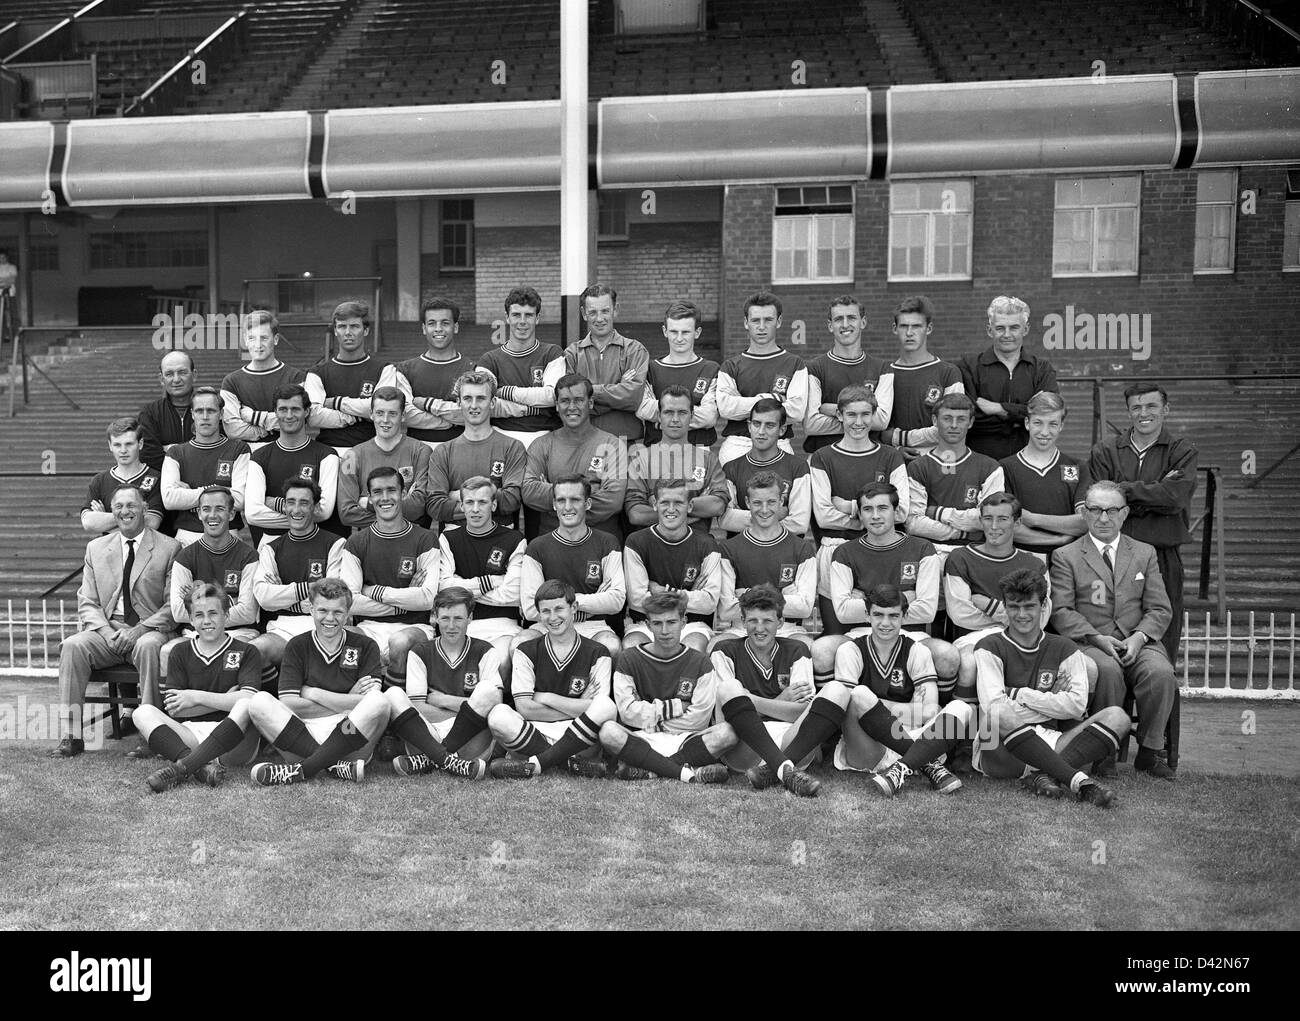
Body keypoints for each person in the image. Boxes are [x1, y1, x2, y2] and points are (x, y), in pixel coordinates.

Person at [1049, 481, 1179, 780]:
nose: (1103, 518)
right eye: (1095, 510)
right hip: (1090, 641)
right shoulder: (1066, 555)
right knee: (1106, 670)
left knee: (1160, 673)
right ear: (1084, 513)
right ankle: (1104, 751)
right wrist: (1096, 637)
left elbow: (1160, 608)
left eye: (1111, 510)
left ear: (1125, 514)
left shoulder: (1144, 552)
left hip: (1139, 640)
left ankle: (1149, 751)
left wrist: (1139, 637)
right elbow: (1061, 610)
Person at [974, 568, 1126, 807]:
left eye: (1029, 606)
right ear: (1004, 606)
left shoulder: (1065, 648)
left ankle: (1043, 775)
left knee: (1117, 716)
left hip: (1056, 741)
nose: (1021, 614)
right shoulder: (989, 646)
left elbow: (1076, 706)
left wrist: (1018, 694)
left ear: (1043, 605)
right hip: (1002, 749)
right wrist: (1052, 700)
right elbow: (994, 706)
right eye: (1014, 606)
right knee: (1000, 713)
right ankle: (1078, 782)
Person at [51, 486, 179, 757]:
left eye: (131, 505)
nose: (125, 511)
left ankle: (150, 734)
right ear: (112, 512)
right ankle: (71, 736)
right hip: (107, 631)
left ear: (144, 508)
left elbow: (173, 606)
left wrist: (139, 630)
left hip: (149, 629)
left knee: (147, 647)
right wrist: (108, 632)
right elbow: (87, 601)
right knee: (73, 646)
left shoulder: (169, 547)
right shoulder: (96, 548)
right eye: (118, 506)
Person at [1087, 381, 1197, 667]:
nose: (1143, 413)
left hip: (1162, 555)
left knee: (1163, 632)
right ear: (1128, 412)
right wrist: (1154, 490)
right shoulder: (1106, 450)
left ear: (1166, 409)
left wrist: (1124, 491)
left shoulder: (1181, 450)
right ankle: (1114, 708)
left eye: (1151, 406)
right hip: (1114, 555)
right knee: (1112, 632)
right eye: (1136, 407)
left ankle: (1159, 704)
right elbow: (1103, 501)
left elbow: (1175, 498)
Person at [815, 482, 958, 696]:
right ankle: (832, 715)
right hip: (861, 633)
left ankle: (935, 712)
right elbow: (843, 613)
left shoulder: (922, 549)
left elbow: (927, 610)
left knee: (948, 655)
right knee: (821, 650)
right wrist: (906, 598)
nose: (875, 516)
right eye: (867, 509)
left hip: (911, 634)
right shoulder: (844, 553)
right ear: (860, 515)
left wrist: (866, 601)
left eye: (882, 508)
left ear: (896, 511)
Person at [245, 578, 392, 785]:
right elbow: (289, 703)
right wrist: (348, 699)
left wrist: (313, 693)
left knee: (379, 700)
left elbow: (369, 703)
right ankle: (333, 766)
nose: (330, 618)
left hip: (350, 733)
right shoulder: (297, 645)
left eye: (338, 612)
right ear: (311, 610)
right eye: (323, 610)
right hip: (304, 733)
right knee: (258, 701)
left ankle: (302, 770)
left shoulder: (366, 645)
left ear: (348, 614)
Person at [828, 584, 969, 796]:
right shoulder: (850, 650)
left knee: (962, 708)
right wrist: (910, 707)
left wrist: (876, 708)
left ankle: (900, 769)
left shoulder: (917, 650)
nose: (885, 623)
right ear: (867, 615)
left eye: (893, 615)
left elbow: (930, 712)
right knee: (858, 695)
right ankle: (927, 765)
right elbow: (848, 704)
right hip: (870, 748)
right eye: (878, 615)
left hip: (916, 738)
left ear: (904, 616)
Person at [710, 585, 841, 796]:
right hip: (745, 747)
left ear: (780, 622)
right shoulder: (724, 651)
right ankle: (785, 769)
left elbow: (804, 712)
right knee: (729, 688)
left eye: (767, 621)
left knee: (835, 691)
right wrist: (782, 699)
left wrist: (750, 701)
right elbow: (728, 714)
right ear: (742, 621)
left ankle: (773, 770)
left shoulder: (797, 650)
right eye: (752, 620)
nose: (759, 628)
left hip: (791, 742)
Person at [482, 580, 618, 780]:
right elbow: (525, 709)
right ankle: (570, 764)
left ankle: (535, 764)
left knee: (606, 706)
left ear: (574, 608)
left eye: (559, 609)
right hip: (536, 732)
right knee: (498, 715)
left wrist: (544, 697)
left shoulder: (599, 652)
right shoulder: (525, 650)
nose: (553, 617)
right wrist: (579, 705)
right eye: (545, 611)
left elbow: (597, 708)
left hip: (578, 735)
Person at [596, 591, 734, 784]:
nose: (665, 631)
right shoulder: (629, 658)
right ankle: (690, 770)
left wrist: (656, 721)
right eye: (657, 623)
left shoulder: (700, 662)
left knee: (727, 733)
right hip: (643, 738)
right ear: (647, 625)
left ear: (683, 622)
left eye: (671, 622)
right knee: (608, 732)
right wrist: (676, 707)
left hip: (685, 739)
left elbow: (699, 719)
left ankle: (652, 770)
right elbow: (627, 713)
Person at [136, 585, 263, 792]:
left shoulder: (247, 651)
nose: (206, 621)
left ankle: (183, 768)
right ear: (191, 619)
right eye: (199, 615)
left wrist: (195, 697)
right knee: (142, 712)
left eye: (213, 613)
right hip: (191, 736)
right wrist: (225, 699)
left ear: (226, 614)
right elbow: (175, 708)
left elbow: (248, 699)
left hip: (234, 742)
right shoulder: (179, 651)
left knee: (246, 704)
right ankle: (198, 766)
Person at [811, 387, 909, 633]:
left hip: (881, 552)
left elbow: (902, 512)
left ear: (874, 416)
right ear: (840, 416)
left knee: (882, 632)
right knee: (836, 636)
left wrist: (850, 506)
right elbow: (823, 516)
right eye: (851, 414)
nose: (859, 422)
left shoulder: (890, 457)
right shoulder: (822, 457)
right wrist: (875, 517)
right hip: (836, 548)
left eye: (865, 414)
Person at [944, 493, 1056, 706]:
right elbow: (960, 614)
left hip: (1024, 640)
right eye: (988, 518)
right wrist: (1016, 617)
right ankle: (965, 733)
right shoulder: (960, 558)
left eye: (1003, 519)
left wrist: (991, 605)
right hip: (973, 638)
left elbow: (1040, 619)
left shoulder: (1034, 564)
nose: (994, 526)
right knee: (969, 663)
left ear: (1017, 522)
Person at [381, 586, 501, 779]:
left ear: (470, 618)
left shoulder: (485, 650)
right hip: (429, 733)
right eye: (445, 618)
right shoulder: (420, 652)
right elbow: (418, 707)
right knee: (392, 695)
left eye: (458, 618)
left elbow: (494, 703)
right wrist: (468, 710)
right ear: (434, 617)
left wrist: (444, 700)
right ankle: (449, 761)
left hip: (470, 741)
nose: (451, 625)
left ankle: (431, 758)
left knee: (488, 690)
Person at [339, 466, 439, 685]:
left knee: (400, 641)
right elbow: (349, 602)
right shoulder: (356, 543)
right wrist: (406, 598)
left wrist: (374, 591)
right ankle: (363, 703)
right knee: (341, 634)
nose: (385, 498)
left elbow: (428, 599)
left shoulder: (425, 539)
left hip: (414, 627)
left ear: (403, 494)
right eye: (377, 492)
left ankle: (398, 703)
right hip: (368, 627)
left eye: (391, 490)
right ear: (370, 497)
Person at [518, 475, 624, 658]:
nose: (567, 507)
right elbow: (529, 608)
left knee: (611, 646)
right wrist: (587, 605)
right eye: (561, 500)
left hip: (594, 626)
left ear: (588, 503)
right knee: (518, 644)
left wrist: (564, 604)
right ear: (553, 504)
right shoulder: (536, 547)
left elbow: (616, 600)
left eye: (575, 500)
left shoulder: (607, 542)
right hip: (547, 625)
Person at [250, 478, 346, 677]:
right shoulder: (271, 548)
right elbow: (264, 597)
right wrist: (310, 589)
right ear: (284, 506)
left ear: (315, 507)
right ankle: (275, 699)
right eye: (291, 502)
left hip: (324, 625)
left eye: (304, 503)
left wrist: (283, 598)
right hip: (282, 628)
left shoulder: (336, 544)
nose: (296, 509)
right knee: (255, 651)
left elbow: (333, 596)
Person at [521, 372, 628, 540]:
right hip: (552, 542)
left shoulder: (612, 445)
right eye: (565, 401)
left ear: (590, 403)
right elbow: (529, 492)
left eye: (579, 400)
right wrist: (590, 491)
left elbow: (613, 500)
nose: (572, 407)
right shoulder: (541, 445)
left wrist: (555, 497)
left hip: (601, 543)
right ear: (557, 405)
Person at [623, 480, 723, 653]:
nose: (671, 509)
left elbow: (709, 602)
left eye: (678, 503)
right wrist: (686, 596)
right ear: (654, 504)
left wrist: (660, 591)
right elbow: (637, 600)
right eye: (664, 502)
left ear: (690, 506)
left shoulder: (707, 544)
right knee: (632, 646)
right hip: (646, 623)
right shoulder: (636, 541)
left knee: (694, 647)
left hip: (691, 624)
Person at [716, 471, 817, 641]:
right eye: (757, 503)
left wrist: (746, 594)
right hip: (742, 628)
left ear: (781, 502)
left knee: (809, 649)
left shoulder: (802, 548)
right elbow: (726, 610)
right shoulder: (728, 548)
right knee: (715, 647)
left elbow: (805, 608)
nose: (764, 510)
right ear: (747, 502)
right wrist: (781, 595)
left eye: (771, 502)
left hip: (787, 628)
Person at [959, 296, 1059, 461]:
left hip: (1029, 463)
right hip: (980, 461)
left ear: (1025, 329)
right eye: (1000, 328)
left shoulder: (1042, 369)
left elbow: (1048, 413)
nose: (1007, 334)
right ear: (989, 330)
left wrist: (999, 408)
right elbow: (970, 419)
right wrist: (1023, 415)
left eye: (1014, 328)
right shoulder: (969, 367)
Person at [426, 370, 526, 530]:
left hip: (501, 539)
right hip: (454, 541)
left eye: (481, 398)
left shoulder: (512, 447)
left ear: (492, 402)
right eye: (467, 398)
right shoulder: (442, 452)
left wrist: (456, 495)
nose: (474, 405)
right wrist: (490, 498)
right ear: (458, 402)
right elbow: (436, 506)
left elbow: (511, 500)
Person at [904, 393, 1005, 554]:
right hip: (929, 553)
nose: (954, 425)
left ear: (971, 422)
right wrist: (963, 532)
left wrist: (937, 512)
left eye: (961, 419)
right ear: (935, 421)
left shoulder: (990, 467)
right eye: (947, 418)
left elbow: (989, 519)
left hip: (974, 553)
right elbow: (914, 524)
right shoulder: (918, 467)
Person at [715, 291, 808, 464]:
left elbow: (796, 411)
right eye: (755, 320)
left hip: (779, 444)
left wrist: (744, 404)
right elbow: (726, 408)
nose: (761, 326)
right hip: (738, 445)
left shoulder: (795, 364)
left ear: (778, 322)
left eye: (768, 320)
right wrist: (769, 399)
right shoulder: (730, 366)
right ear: (746, 323)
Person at [436, 476, 526, 651]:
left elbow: (514, 594)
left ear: (493, 505)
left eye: (482, 502)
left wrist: (459, 586)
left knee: (501, 660)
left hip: (503, 625)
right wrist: (493, 582)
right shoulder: (448, 539)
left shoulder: (514, 539)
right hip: (458, 625)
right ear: (461, 506)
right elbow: (444, 589)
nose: (475, 509)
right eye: (469, 502)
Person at [244, 383, 340, 544]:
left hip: (315, 543)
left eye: (295, 409)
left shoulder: (327, 455)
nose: (289, 415)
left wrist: (276, 503)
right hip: (271, 543)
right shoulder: (259, 457)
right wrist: (304, 515)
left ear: (306, 411)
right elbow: (253, 514)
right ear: (275, 412)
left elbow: (323, 512)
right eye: (283, 409)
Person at [999, 390, 1090, 557]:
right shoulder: (1005, 468)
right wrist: (1059, 539)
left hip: (1069, 561)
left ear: (1061, 425)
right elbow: (1004, 525)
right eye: (1038, 423)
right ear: (1027, 423)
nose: (1045, 432)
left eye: (1053, 424)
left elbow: (1085, 521)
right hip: (1021, 560)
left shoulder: (1077, 467)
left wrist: (1033, 519)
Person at [624, 386, 727, 533]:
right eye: (668, 412)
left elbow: (718, 505)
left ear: (692, 416)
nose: (675, 419)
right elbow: (636, 514)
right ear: (659, 416)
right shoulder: (640, 460)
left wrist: (659, 503)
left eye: (682, 413)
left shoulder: (708, 459)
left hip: (697, 546)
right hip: (652, 546)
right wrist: (693, 507)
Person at [477, 286, 565, 448]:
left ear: (537, 318)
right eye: (516, 315)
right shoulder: (489, 360)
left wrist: (507, 392)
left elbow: (552, 396)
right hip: (500, 438)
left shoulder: (552, 353)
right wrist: (535, 408)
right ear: (507, 317)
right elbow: (481, 404)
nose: (522, 321)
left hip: (544, 438)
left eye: (529, 315)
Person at [161, 385, 250, 546]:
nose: (205, 416)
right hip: (187, 536)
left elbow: (240, 499)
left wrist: (191, 494)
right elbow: (169, 499)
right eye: (199, 411)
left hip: (228, 535)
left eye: (211, 411)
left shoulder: (238, 449)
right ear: (193, 415)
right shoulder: (176, 453)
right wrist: (219, 491)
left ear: (221, 414)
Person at [803, 295, 893, 453]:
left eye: (851, 318)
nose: (845, 324)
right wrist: (862, 418)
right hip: (823, 459)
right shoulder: (814, 368)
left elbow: (882, 421)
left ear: (863, 322)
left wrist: (832, 409)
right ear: (830, 326)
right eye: (838, 319)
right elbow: (811, 425)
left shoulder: (882, 369)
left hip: (869, 458)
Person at [563, 284, 650, 443]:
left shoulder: (634, 350)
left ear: (615, 310)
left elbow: (633, 398)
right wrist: (618, 390)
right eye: (592, 312)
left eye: (605, 311)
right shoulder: (572, 354)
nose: (599, 318)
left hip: (626, 441)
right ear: (584, 314)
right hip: (583, 443)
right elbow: (570, 401)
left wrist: (587, 392)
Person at [336, 386, 431, 531]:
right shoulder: (351, 456)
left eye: (392, 414)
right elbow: (346, 513)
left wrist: (367, 503)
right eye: (380, 413)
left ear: (403, 415)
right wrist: (399, 507)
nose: (385, 420)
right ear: (371, 414)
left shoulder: (422, 451)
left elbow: (417, 507)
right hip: (369, 544)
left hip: (412, 542)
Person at [380, 297, 468, 452]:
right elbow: (405, 414)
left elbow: (472, 412)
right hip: (417, 452)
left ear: (456, 327)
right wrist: (450, 420)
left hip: (460, 450)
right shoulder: (405, 369)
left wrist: (428, 406)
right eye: (432, 323)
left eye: (445, 323)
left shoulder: (471, 369)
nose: (438, 328)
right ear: (423, 328)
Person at [880, 296, 964, 457]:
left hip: (940, 462)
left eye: (917, 326)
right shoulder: (884, 373)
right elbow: (877, 429)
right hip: (895, 462)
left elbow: (954, 425)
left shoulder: (949, 372)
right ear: (894, 328)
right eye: (904, 326)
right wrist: (896, 449)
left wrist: (899, 438)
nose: (910, 333)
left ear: (929, 328)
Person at [220, 310, 316, 446]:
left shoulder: (296, 376)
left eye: (264, 338)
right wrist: (267, 430)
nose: (258, 345)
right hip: (249, 454)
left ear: (275, 339)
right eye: (252, 338)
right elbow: (233, 430)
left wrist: (254, 417)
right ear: (245, 340)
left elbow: (299, 420)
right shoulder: (231, 382)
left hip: (288, 450)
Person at [718, 398, 811, 537]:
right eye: (756, 424)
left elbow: (799, 523)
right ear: (749, 426)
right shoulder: (731, 468)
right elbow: (725, 519)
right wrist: (776, 515)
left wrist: (745, 518)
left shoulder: (798, 467)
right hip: (742, 553)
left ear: (782, 430)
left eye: (769, 425)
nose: (761, 431)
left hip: (786, 553)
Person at [636, 300, 719, 448]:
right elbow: (642, 409)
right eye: (674, 331)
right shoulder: (650, 369)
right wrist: (688, 413)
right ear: (665, 331)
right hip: (656, 450)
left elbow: (709, 417)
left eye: (685, 332)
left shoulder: (711, 369)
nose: (679, 338)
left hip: (698, 450)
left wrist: (662, 419)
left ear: (697, 333)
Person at [305, 299, 383, 453]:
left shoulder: (384, 369)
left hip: (372, 451)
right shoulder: (317, 373)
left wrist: (337, 403)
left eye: (354, 326)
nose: (348, 332)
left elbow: (382, 409)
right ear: (335, 330)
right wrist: (357, 417)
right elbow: (313, 416)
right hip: (328, 453)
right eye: (342, 326)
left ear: (366, 330)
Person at [82, 417, 165, 535]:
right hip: (109, 551)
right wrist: (134, 516)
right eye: (117, 445)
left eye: (129, 444)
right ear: (110, 446)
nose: (123, 450)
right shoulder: (99, 481)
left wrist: (105, 520)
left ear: (140, 444)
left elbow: (151, 523)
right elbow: (88, 523)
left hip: (147, 550)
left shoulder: (156, 478)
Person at [138, 350, 199, 471]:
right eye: (169, 374)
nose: (176, 379)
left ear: (194, 375)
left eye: (182, 372)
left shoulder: (210, 409)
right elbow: (149, 455)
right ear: (161, 379)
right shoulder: (150, 413)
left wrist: (168, 449)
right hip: (163, 485)